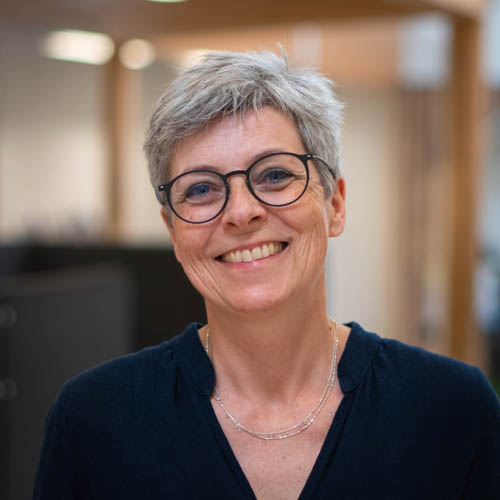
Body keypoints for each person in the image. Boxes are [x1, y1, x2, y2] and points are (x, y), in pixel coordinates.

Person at [33, 50, 499, 500]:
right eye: (201, 188)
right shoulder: (94, 420)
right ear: (173, 231)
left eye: (274, 175)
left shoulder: (452, 410)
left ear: (335, 206)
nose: (241, 212)